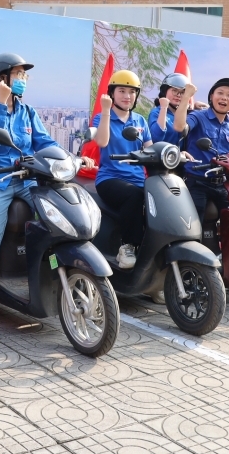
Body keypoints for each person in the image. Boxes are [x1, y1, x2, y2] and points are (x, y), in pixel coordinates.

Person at [0, 54, 91, 342]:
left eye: (24, 76)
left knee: (59, 218)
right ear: (1, 79)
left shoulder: (28, 112)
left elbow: (45, 141)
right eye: (18, 74)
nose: (23, 80)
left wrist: (72, 157)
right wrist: (1, 105)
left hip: (27, 180)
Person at [92, 70, 157, 298]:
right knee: (134, 196)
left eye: (131, 92)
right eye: (121, 91)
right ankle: (127, 247)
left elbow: (150, 149)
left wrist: (174, 154)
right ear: (112, 93)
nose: (127, 96)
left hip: (138, 180)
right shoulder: (102, 117)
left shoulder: (140, 120)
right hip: (110, 178)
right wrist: (106, 110)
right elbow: (102, 142)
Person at [174, 78, 229, 217]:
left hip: (222, 184)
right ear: (211, 96)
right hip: (197, 181)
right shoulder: (198, 116)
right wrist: (186, 97)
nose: (224, 98)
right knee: (194, 221)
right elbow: (179, 127)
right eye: (220, 93)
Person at [149, 73, 190, 145]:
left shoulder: (186, 114)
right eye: (175, 90)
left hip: (181, 152)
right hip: (162, 151)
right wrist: (163, 108)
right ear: (165, 91)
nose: (178, 95)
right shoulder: (156, 112)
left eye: (182, 92)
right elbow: (156, 138)